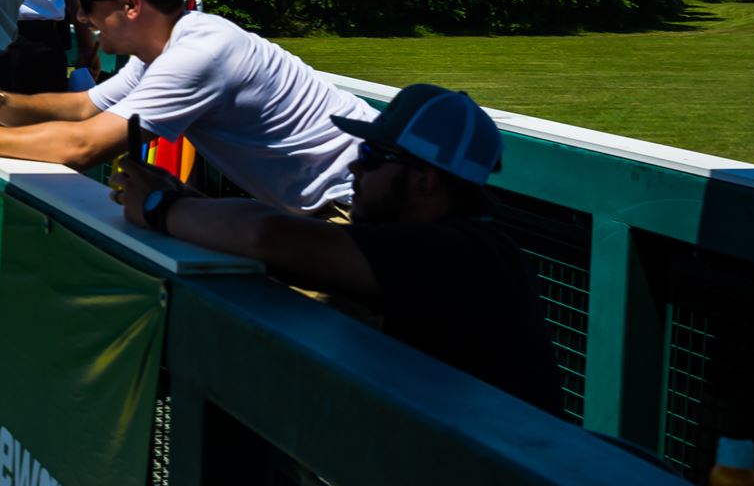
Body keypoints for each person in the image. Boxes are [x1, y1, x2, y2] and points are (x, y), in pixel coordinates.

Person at [113, 83, 560, 412]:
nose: (355, 169)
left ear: (425, 180)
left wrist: (158, 205)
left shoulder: (458, 254)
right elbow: (278, 247)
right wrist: (182, 201)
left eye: (371, 157)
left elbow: (270, 237)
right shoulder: (456, 241)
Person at [0, 0, 374, 221]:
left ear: (131, 5)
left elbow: (83, 147)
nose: (80, 17)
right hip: (334, 199)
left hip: (356, 205)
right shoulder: (160, 51)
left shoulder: (198, 55)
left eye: (87, 2)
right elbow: (82, 109)